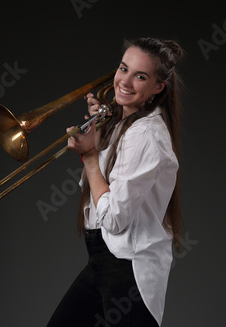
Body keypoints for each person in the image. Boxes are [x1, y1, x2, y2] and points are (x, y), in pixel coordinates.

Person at [47, 37, 184, 327]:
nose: (125, 81)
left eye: (141, 76)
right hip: (101, 258)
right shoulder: (124, 125)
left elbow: (114, 218)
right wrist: (100, 134)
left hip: (128, 268)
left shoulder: (145, 134)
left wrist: (91, 156)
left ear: (158, 88)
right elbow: (97, 195)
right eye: (123, 69)